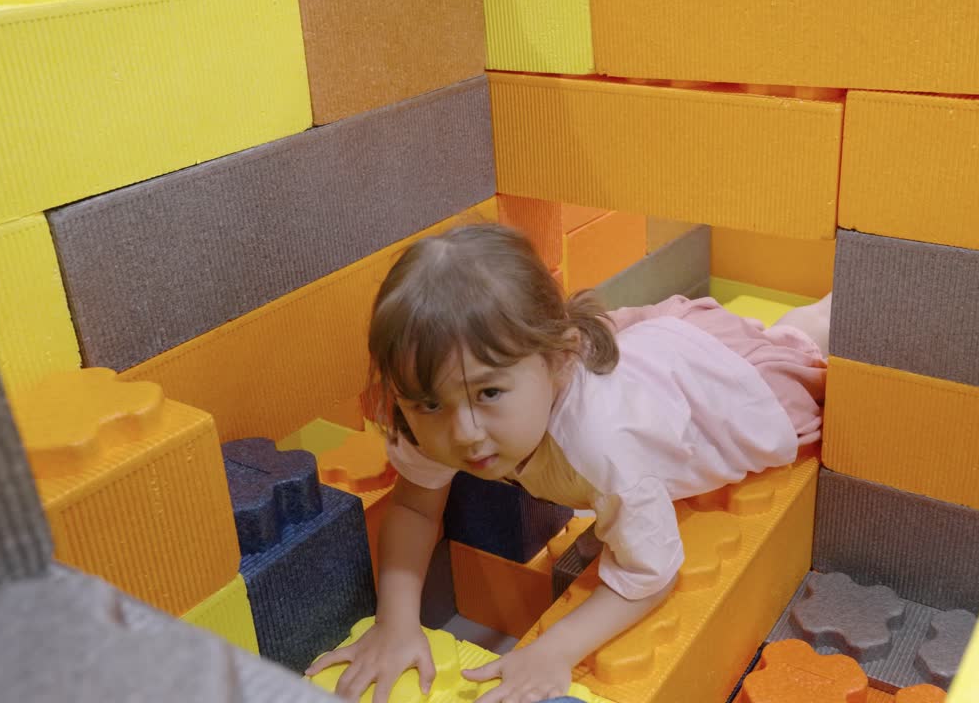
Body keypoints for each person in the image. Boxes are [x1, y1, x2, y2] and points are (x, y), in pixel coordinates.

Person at [305, 224, 830, 703]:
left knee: (807, 347)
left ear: (557, 360)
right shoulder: (426, 414)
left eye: (489, 392)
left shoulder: (602, 445)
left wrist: (555, 649)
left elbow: (652, 573)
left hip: (727, 390)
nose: (464, 435)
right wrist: (396, 622)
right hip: (660, 356)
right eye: (430, 404)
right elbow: (416, 509)